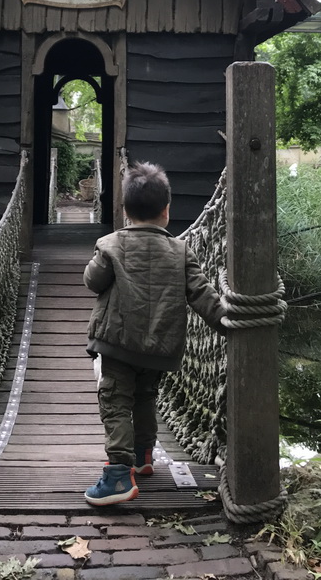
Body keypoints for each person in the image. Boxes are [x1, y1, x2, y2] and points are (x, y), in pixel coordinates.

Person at [82, 161, 227, 506]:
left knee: (116, 402)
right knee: (147, 396)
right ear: (166, 211)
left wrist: (101, 257)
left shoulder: (111, 244)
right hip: (160, 346)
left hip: (117, 344)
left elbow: (92, 281)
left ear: (125, 211)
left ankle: (118, 474)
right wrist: (229, 322)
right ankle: (145, 455)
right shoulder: (181, 251)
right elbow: (202, 294)